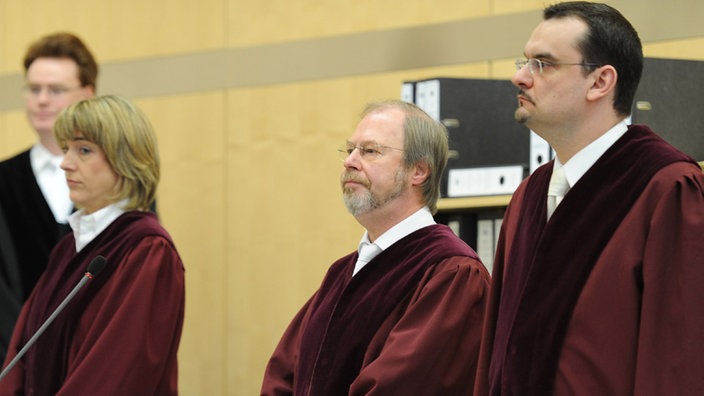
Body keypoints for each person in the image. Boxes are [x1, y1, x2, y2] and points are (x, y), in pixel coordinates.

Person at [475, 2, 704, 395]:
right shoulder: (528, 197)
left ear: (600, 82)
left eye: (542, 64)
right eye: (524, 61)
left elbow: (675, 362)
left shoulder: (667, 188)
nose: (519, 77)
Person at [261, 99, 491, 395]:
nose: (350, 161)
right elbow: (285, 373)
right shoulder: (343, 272)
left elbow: (402, 386)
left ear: (418, 171)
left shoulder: (452, 273)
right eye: (350, 150)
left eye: (370, 151)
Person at [0, 95, 185, 395]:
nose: (65, 164)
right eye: (65, 149)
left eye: (83, 150)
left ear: (125, 159)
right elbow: (23, 346)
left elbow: (117, 370)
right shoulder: (70, 246)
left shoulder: (147, 249)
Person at [0, 32, 97, 308]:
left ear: (87, 93)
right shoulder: (4, 179)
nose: (41, 100)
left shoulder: (119, 179)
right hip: (14, 347)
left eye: (55, 90)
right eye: (34, 89)